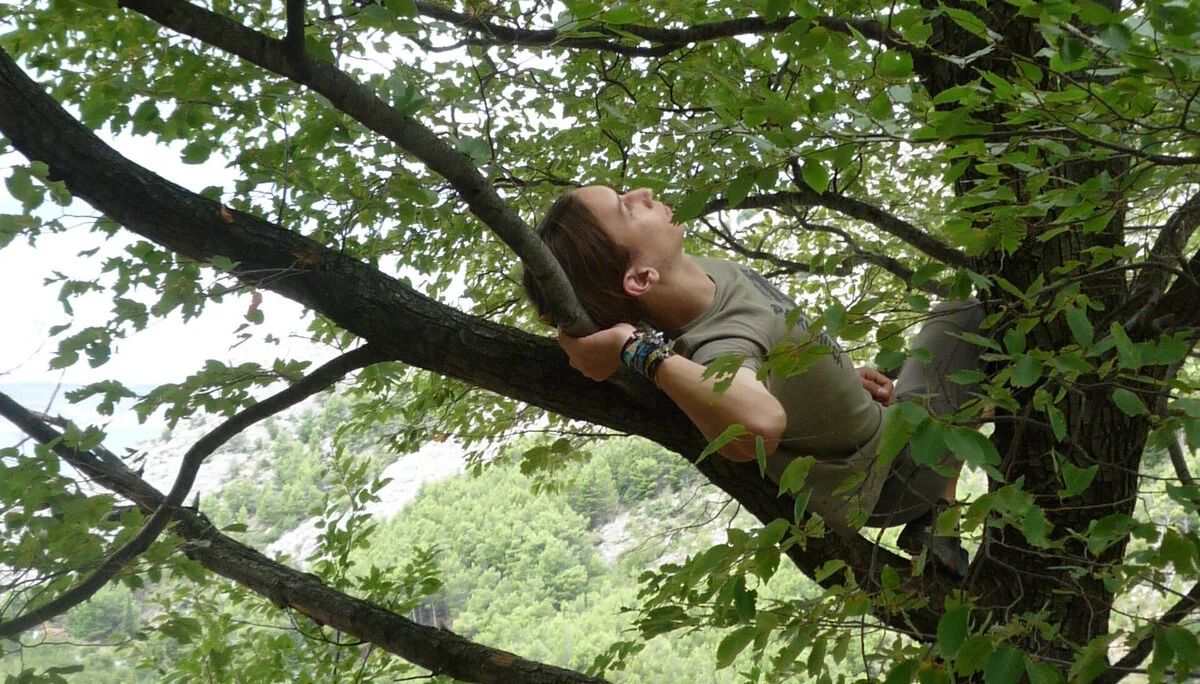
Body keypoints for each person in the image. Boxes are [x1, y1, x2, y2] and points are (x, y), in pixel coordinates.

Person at [523, 186, 985, 577]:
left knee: (957, 321)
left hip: (884, 424)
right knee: (984, 318)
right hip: (892, 476)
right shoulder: (719, 347)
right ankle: (939, 513)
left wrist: (835, 377)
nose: (642, 194)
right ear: (642, 277)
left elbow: (569, 309)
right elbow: (758, 424)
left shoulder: (700, 275)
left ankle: (937, 520)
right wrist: (630, 346)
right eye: (626, 209)